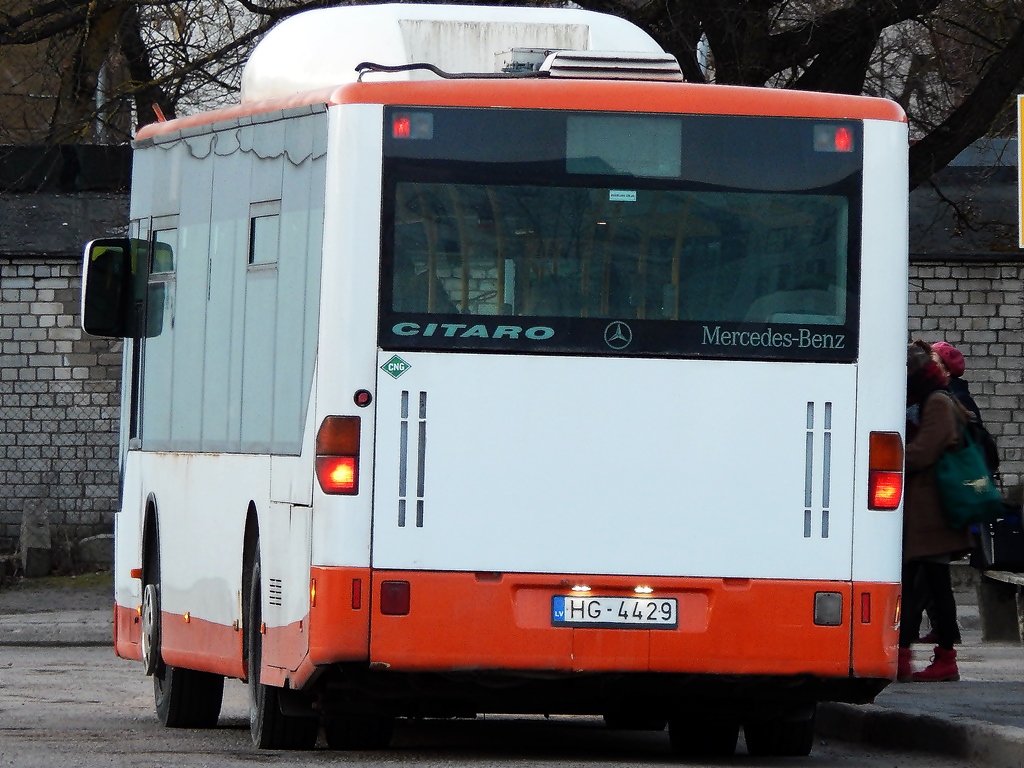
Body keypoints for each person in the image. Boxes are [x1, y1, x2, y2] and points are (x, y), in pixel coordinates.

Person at [898, 342, 973, 682]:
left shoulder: (938, 402)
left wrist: (886, 458)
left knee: (932, 586)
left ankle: (943, 660)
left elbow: (924, 452)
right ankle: (906, 656)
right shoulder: (924, 400)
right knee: (918, 586)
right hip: (924, 511)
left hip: (936, 512)